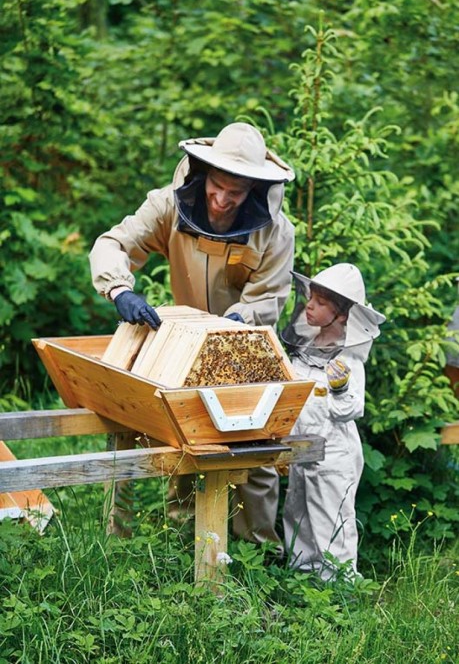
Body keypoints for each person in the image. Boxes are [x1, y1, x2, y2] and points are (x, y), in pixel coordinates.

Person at [89, 122, 296, 546]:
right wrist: (119, 289)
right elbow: (114, 243)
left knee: (254, 451)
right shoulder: (168, 205)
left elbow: (269, 297)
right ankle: (181, 541)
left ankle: (259, 555)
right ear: (204, 175)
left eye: (234, 193)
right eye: (216, 187)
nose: (221, 201)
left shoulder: (275, 231)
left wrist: (239, 320)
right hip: (179, 346)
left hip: (243, 348)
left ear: (253, 190)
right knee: (183, 437)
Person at [280, 263, 386, 580]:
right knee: (297, 512)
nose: (310, 306)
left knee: (330, 519)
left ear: (341, 314)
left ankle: (339, 588)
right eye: (311, 298)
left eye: (321, 302)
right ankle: (301, 580)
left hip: (334, 453)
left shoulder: (349, 358)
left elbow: (351, 409)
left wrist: (338, 389)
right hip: (302, 448)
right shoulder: (306, 345)